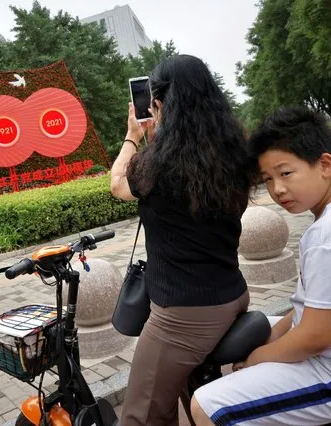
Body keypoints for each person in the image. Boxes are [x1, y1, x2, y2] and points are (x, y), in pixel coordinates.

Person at [191, 106, 331, 426]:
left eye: (286, 173)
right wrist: (271, 339)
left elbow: (314, 337)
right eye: (268, 179)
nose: (277, 188)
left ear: (324, 164)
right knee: (257, 331)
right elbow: (313, 306)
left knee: (208, 406)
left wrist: (257, 359)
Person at [110, 54, 252, 425]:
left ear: (157, 105)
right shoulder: (235, 152)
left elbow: (116, 184)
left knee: (140, 416)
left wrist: (133, 135)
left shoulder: (155, 165)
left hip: (184, 315)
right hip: (233, 294)